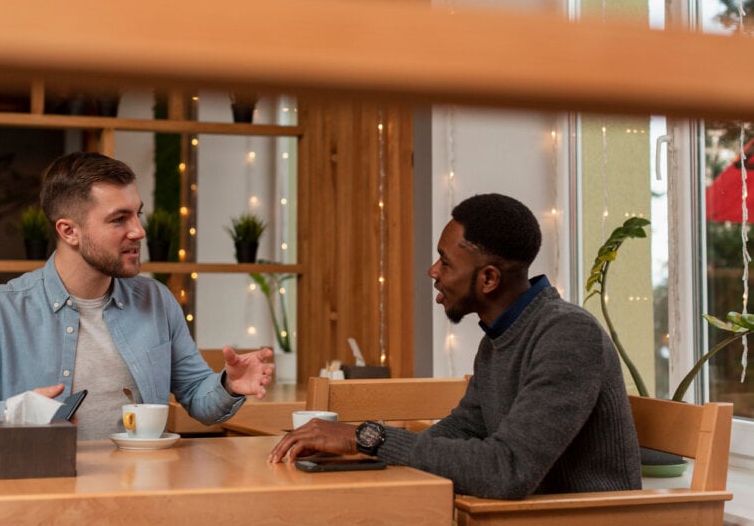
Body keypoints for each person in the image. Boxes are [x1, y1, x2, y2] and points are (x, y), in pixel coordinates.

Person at [270, 193, 641, 500]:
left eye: (445, 262)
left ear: (489, 278)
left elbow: (507, 470)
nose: (433, 271)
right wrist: (357, 449)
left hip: (579, 523)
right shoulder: (501, 336)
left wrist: (367, 437)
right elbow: (464, 428)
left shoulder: (569, 335)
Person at [0, 152, 274, 452]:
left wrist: (228, 385)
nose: (139, 231)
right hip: (46, 498)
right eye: (119, 219)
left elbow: (198, 397)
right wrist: (16, 414)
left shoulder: (157, 301)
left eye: (137, 213)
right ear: (69, 231)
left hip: (143, 496)